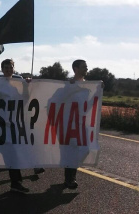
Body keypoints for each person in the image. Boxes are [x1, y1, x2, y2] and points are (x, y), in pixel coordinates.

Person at [0, 59, 30, 193]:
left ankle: (16, 183)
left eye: (11, 67)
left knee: (13, 155)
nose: (9, 70)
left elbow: (25, 99)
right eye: (6, 67)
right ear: (2, 69)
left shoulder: (16, 85)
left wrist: (27, 85)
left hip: (11, 126)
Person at [63, 59, 89, 189]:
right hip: (70, 124)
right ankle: (70, 179)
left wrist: (99, 88)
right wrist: (70, 88)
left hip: (83, 124)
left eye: (86, 66)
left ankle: (70, 177)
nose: (87, 69)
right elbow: (58, 100)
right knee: (71, 151)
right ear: (76, 69)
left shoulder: (89, 85)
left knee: (84, 150)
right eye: (84, 67)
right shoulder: (69, 84)